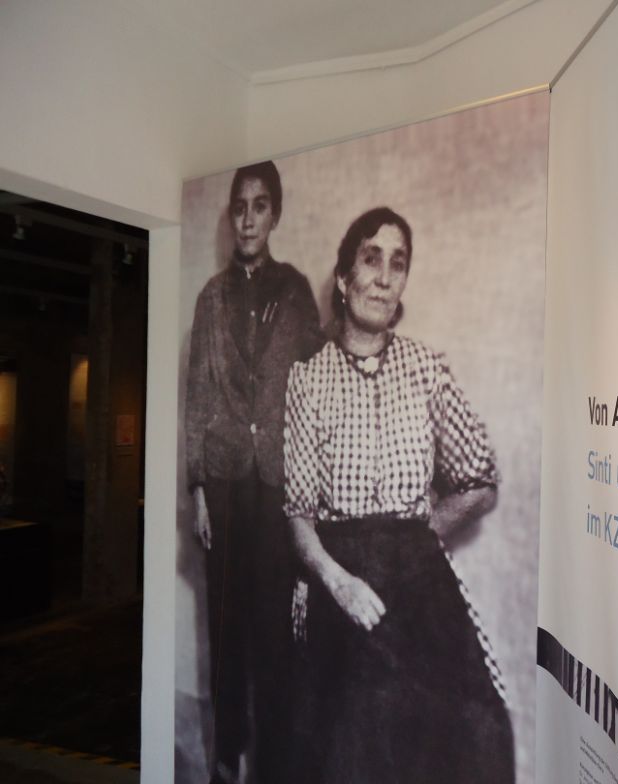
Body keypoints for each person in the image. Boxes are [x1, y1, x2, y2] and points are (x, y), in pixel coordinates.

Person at [283, 206, 515, 782]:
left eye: (398, 263)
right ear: (343, 278)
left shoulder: (425, 369)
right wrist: (336, 582)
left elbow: (480, 478)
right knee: (362, 729)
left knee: (480, 721)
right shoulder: (308, 379)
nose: (385, 277)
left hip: (416, 568)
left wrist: (418, 534)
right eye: (371, 258)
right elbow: (297, 517)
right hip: (342, 570)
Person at [184, 161, 321, 784]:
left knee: (277, 630)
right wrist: (198, 491)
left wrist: (312, 487)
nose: (246, 218)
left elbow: (316, 392)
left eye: (259, 206)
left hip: (279, 485)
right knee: (226, 623)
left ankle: (272, 765)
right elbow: (197, 398)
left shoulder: (295, 292)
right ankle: (224, 758)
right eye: (239, 205)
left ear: (275, 215)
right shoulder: (210, 298)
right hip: (226, 484)